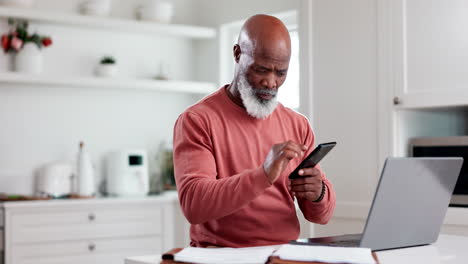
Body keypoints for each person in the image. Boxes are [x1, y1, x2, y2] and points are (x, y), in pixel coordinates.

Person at [173, 14, 336, 248]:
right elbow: (194, 206)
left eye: (280, 73)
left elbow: (321, 216)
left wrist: (317, 192)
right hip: (221, 257)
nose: (271, 82)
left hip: (283, 255)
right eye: (261, 70)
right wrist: (264, 174)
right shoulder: (197, 120)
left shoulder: (298, 124)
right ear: (238, 54)